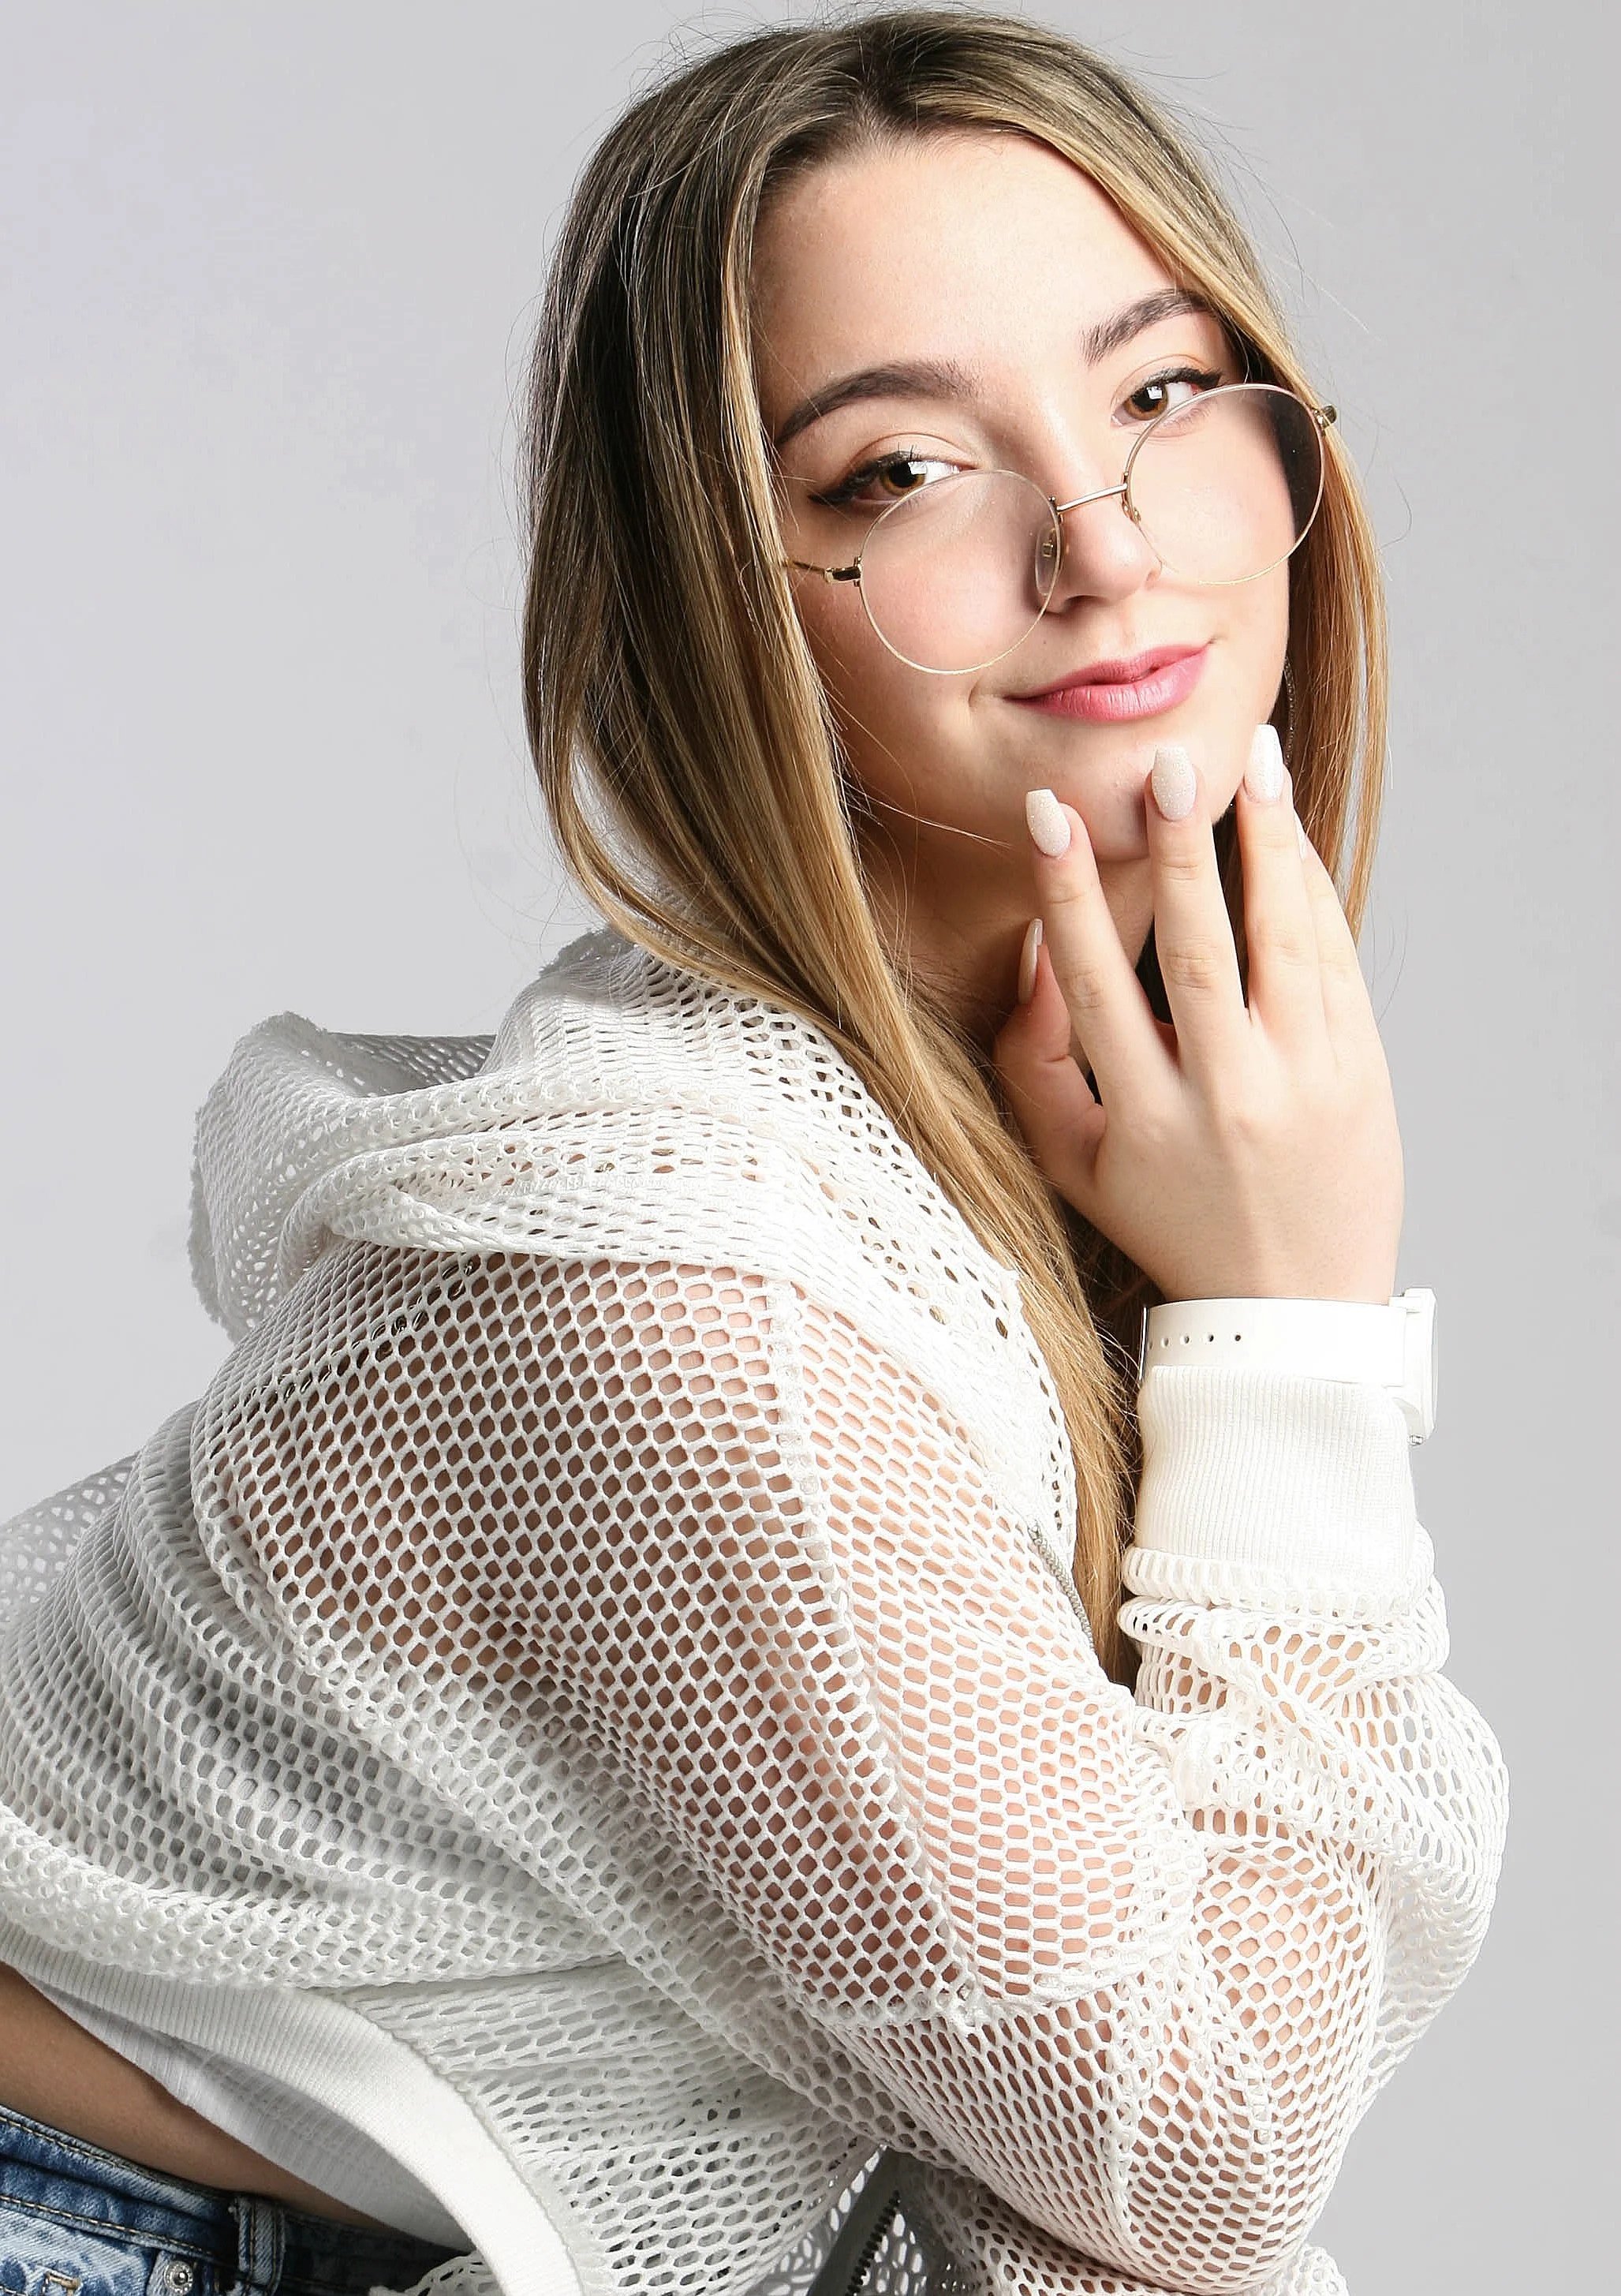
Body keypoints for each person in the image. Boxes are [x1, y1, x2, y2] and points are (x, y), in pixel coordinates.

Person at [0, 11, 1507, 2296]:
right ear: (719, 590)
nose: (1103, 544)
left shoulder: (1040, 1138)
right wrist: (1289, 1342)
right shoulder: (682, 1283)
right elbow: (1195, 2156)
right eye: (901, 472)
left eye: (1160, 392)